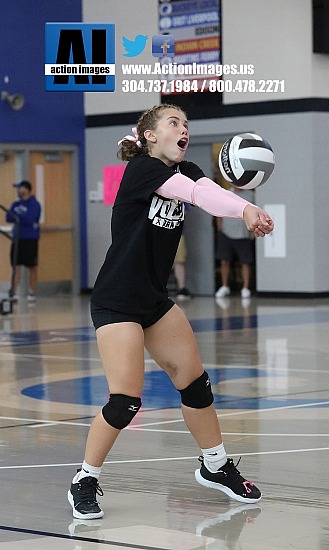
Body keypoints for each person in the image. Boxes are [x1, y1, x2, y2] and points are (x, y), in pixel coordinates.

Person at [67, 104, 274, 520]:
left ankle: (215, 465)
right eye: (174, 123)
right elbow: (196, 194)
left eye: (186, 124)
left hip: (153, 300)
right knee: (126, 400)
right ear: (148, 136)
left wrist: (241, 204)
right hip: (117, 300)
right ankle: (84, 479)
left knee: (195, 384)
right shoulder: (143, 171)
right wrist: (245, 209)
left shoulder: (188, 168)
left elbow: (209, 191)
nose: (183, 130)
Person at [215, 187, 255, 299]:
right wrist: (220, 228)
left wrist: (252, 231)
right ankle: (224, 286)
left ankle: (246, 288)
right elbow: (218, 211)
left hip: (243, 234)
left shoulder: (251, 195)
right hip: (226, 233)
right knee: (224, 261)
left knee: (245, 262)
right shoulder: (226, 193)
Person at [6, 180, 41, 302]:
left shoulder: (34, 204)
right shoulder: (15, 204)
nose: (18, 191)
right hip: (17, 238)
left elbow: (30, 218)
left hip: (30, 238)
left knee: (32, 266)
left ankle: (32, 293)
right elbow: (9, 217)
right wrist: (18, 217)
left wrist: (18, 216)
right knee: (15, 266)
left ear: (26, 189)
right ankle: (13, 293)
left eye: (19, 188)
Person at [173, 204, 191, 301]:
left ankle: (182, 288)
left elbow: (185, 211)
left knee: (179, 260)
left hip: (177, 232)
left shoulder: (180, 195)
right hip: (157, 233)